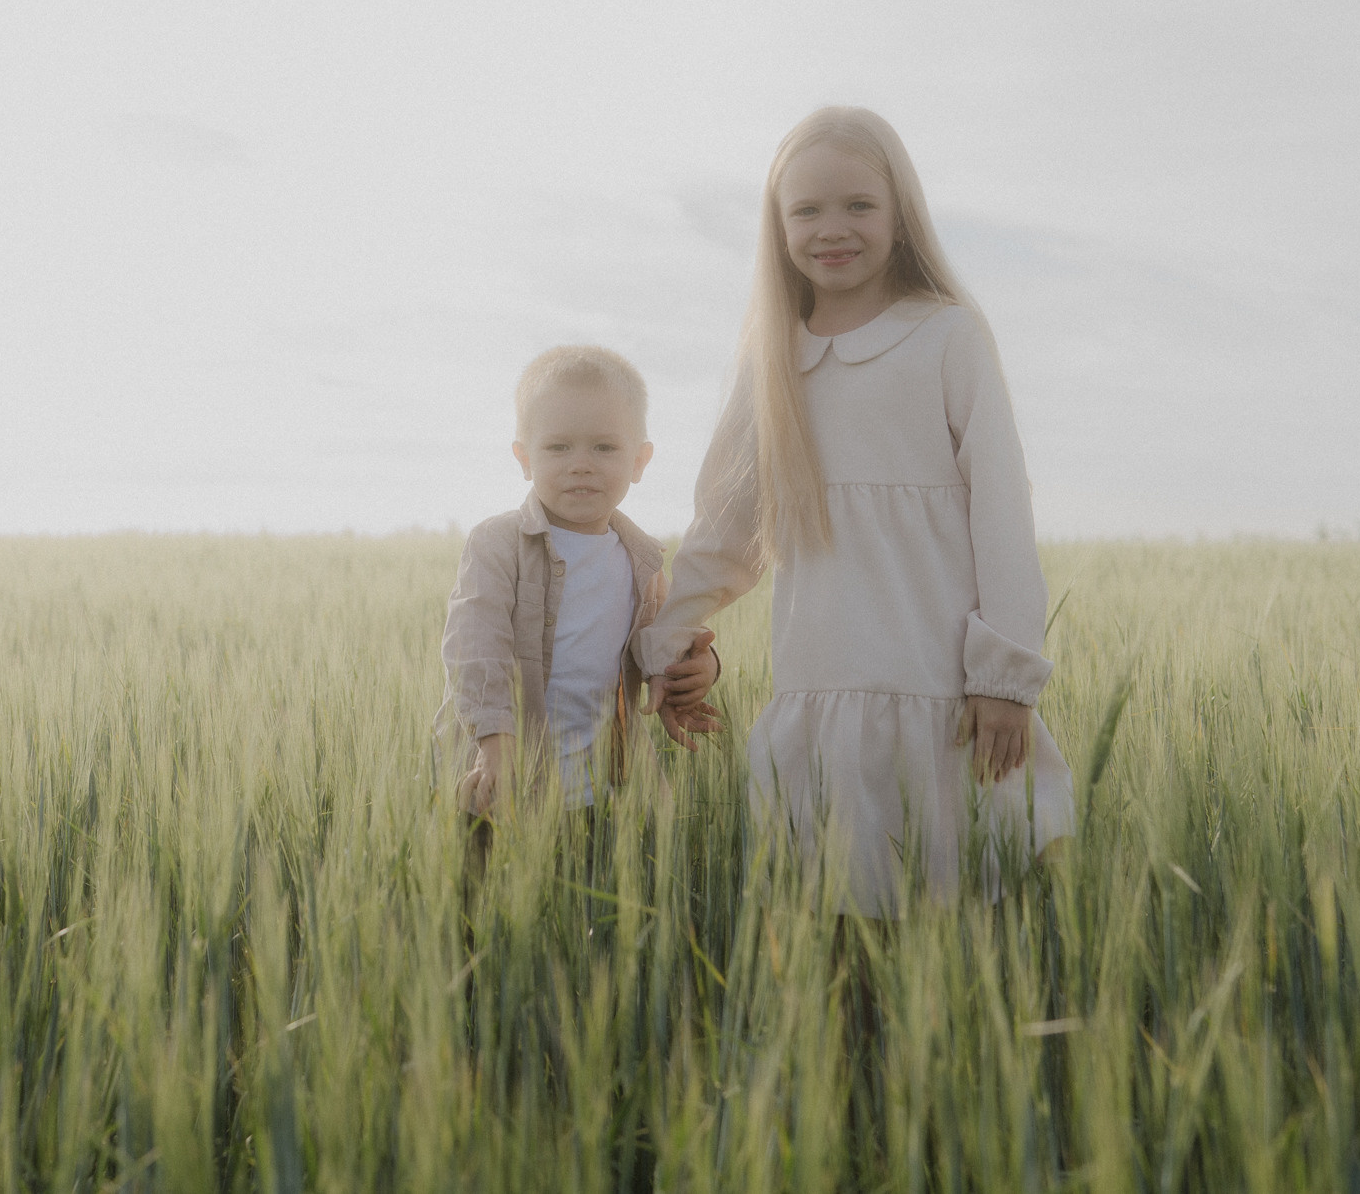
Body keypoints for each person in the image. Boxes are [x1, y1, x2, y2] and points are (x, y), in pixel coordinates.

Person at [636, 105, 1073, 914]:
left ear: (899, 211)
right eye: (805, 210)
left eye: (858, 205)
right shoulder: (773, 357)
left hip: (943, 694)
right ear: (776, 226)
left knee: (958, 917)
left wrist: (1006, 675)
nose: (831, 228)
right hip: (821, 688)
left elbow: (1003, 511)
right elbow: (726, 527)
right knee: (833, 928)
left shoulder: (947, 337)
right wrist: (665, 643)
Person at [437, 346, 723, 827]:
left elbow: (669, 642)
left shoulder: (644, 561)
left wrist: (700, 669)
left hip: (603, 793)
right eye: (558, 447)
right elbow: (474, 648)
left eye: (604, 447)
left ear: (640, 460)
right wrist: (494, 748)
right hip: (498, 782)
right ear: (524, 458)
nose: (581, 464)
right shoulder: (498, 545)